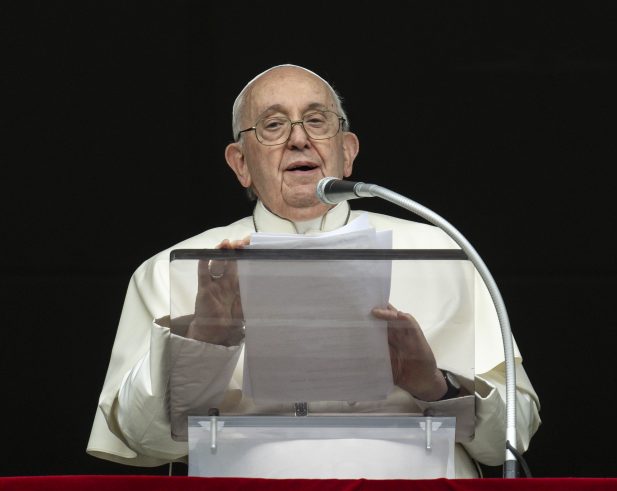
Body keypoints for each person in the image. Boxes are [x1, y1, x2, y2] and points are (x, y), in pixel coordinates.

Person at [87, 64, 541, 478]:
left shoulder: (442, 252)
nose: (299, 139)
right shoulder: (173, 268)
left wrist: (436, 387)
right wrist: (205, 338)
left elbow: (512, 436)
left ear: (347, 151)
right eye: (273, 125)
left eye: (317, 121)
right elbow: (143, 442)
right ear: (240, 163)